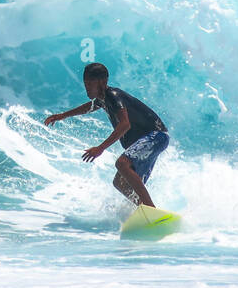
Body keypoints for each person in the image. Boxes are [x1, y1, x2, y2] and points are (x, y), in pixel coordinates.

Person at [44, 62, 169, 208]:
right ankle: (143, 210)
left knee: (122, 163)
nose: (87, 88)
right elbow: (89, 107)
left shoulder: (113, 96)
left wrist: (100, 148)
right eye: (85, 83)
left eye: (90, 83)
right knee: (120, 183)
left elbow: (125, 124)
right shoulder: (103, 100)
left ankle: (150, 209)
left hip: (156, 136)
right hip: (149, 140)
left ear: (102, 82)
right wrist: (63, 115)